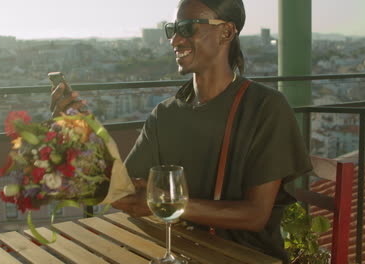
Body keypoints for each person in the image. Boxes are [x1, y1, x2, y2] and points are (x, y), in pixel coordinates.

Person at [50, 0, 312, 262]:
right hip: (179, 251)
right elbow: (126, 195)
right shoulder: (165, 114)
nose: (175, 40)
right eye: (172, 29)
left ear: (227, 32)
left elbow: (255, 215)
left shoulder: (265, 107)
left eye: (187, 28)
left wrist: (168, 202)